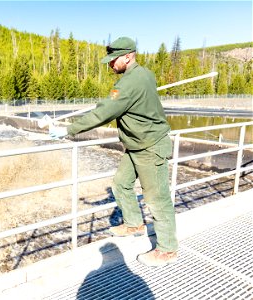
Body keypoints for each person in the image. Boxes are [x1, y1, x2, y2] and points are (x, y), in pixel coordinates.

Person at [49, 37, 178, 267]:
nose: (110, 64)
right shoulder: (144, 75)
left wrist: (66, 130)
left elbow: (102, 113)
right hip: (137, 145)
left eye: (113, 60)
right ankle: (134, 223)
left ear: (128, 56)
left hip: (150, 146)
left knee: (157, 200)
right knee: (120, 183)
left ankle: (167, 250)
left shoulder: (128, 83)